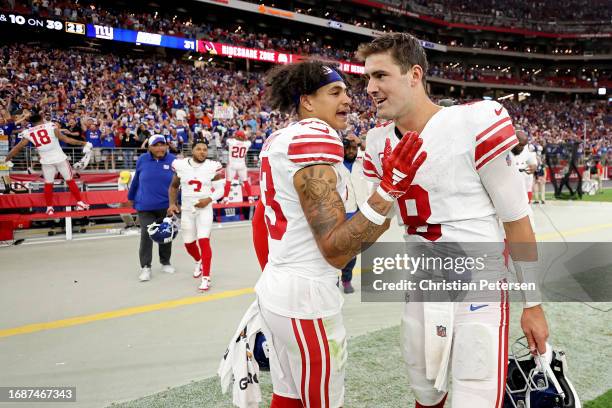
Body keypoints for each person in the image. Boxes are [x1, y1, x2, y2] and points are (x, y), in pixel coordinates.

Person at [358, 33, 548, 408]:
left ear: (414, 74)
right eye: (367, 78)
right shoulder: (377, 142)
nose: (370, 88)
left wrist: (533, 304)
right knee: (426, 396)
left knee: (474, 399)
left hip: (478, 287)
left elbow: (516, 221)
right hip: (422, 285)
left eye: (380, 76)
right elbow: (368, 225)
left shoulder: (474, 121)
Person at [251, 61, 424, 408]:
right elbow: (337, 251)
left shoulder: (280, 138)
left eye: (346, 90)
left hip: (280, 287)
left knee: (288, 395)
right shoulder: (315, 137)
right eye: (335, 92)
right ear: (307, 102)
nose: (348, 99)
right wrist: (388, 191)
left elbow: (259, 220)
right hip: (306, 297)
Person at [3, 110, 91, 215]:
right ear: (41, 119)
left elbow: (17, 148)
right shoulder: (50, 126)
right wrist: (84, 143)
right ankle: (80, 202)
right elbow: (67, 140)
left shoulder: (28, 132)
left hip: (46, 161)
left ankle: (49, 208)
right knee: (70, 181)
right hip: (60, 159)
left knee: (48, 184)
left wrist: (5, 159)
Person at [167, 141, 225, 291]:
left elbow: (220, 190)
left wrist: (208, 199)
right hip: (187, 210)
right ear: (192, 151)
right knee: (188, 243)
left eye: (205, 149)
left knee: (204, 241)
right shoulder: (181, 165)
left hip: (205, 210)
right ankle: (198, 260)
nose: (202, 152)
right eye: (198, 149)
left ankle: (206, 278)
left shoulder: (213, 166)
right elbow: (174, 186)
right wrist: (172, 203)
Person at [128, 134, 177, 282]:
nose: (160, 148)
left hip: (166, 206)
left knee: (166, 234)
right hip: (145, 205)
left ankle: (165, 262)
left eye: (163, 144)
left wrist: (176, 202)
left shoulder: (173, 160)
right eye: (156, 145)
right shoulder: (142, 160)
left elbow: (178, 184)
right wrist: (131, 197)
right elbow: (136, 180)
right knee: (147, 234)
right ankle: (146, 267)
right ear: (149, 147)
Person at [336, 135, 369, 294]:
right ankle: (333, 280)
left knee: (352, 252)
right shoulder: (335, 165)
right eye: (347, 148)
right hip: (340, 215)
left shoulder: (361, 163)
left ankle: (346, 280)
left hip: (358, 213)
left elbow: (374, 152)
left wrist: (360, 141)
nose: (350, 151)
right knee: (334, 251)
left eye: (353, 148)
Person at [223, 129, 254, 202]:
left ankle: (225, 198)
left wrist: (238, 137)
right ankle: (250, 197)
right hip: (241, 164)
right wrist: (244, 137)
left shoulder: (231, 142)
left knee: (228, 181)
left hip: (232, 164)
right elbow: (247, 140)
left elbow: (229, 139)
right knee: (245, 181)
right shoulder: (247, 143)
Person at [511, 130, 537, 203]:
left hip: (524, 182)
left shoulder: (524, 147)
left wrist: (534, 165)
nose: (522, 148)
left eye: (524, 145)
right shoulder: (504, 149)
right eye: (520, 145)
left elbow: (531, 158)